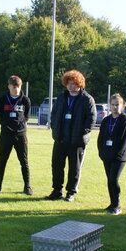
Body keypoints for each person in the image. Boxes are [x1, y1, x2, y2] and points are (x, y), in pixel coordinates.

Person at [45, 70, 96, 202]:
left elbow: (91, 119)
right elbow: (54, 114)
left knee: (74, 168)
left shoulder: (87, 99)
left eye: (73, 83)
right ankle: (57, 191)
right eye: (68, 83)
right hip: (61, 139)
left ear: (79, 84)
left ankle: (71, 192)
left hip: (76, 141)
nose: (71, 86)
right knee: (56, 166)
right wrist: (55, 130)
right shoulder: (62, 97)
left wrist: (81, 133)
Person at [0, 75, 32, 195]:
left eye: (18, 87)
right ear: (9, 86)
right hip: (6, 135)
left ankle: (27, 187)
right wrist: (7, 126)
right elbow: (0, 117)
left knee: (24, 162)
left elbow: (26, 117)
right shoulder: (3, 100)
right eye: (14, 87)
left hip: (20, 135)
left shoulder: (25, 100)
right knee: (2, 161)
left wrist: (19, 126)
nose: (16, 89)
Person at [97, 93, 126, 215]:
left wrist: (116, 154)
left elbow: (124, 140)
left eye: (117, 104)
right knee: (109, 180)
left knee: (113, 179)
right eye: (112, 105)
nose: (115, 107)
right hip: (106, 155)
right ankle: (111, 203)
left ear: (122, 105)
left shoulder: (124, 120)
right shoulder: (106, 120)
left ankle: (117, 205)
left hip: (118, 157)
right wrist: (101, 152)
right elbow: (101, 138)